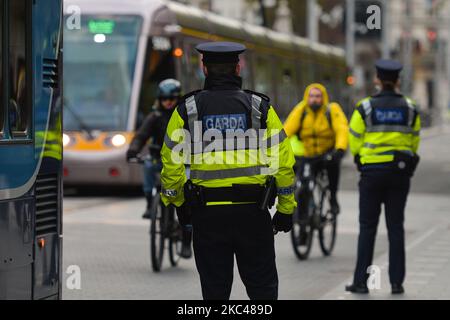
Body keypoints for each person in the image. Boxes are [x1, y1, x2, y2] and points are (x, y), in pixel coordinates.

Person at [160, 42, 296, 300]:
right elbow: (283, 164)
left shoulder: (188, 109)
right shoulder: (260, 108)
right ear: (238, 67)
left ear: (204, 69)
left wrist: (179, 203)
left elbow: (171, 164)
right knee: (263, 291)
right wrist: (286, 209)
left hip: (207, 216)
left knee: (214, 292)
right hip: (253, 214)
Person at [345, 60, 421, 295]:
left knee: (367, 227)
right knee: (396, 227)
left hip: (372, 174)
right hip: (399, 173)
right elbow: (414, 140)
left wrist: (360, 158)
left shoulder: (365, 107)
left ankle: (361, 281)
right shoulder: (410, 108)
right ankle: (397, 283)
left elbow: (354, 138)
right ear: (398, 80)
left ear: (377, 79)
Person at [126, 79, 192, 258]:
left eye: (172, 98)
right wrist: (133, 150)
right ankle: (150, 204)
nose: (168, 102)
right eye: (164, 98)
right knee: (147, 165)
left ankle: (186, 241)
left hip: (182, 162)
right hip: (159, 159)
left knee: (188, 197)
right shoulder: (154, 117)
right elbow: (141, 136)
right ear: (159, 99)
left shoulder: (185, 117)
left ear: (178, 98)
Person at [284, 83, 349, 217]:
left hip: (326, 153)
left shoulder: (332, 110)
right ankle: (302, 219)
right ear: (306, 97)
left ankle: (333, 198)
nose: (314, 99)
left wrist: (340, 148)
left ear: (323, 97)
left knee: (333, 167)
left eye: (318, 96)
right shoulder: (301, 110)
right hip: (307, 155)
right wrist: (272, 146)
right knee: (302, 183)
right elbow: (286, 130)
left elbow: (341, 129)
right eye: (311, 96)